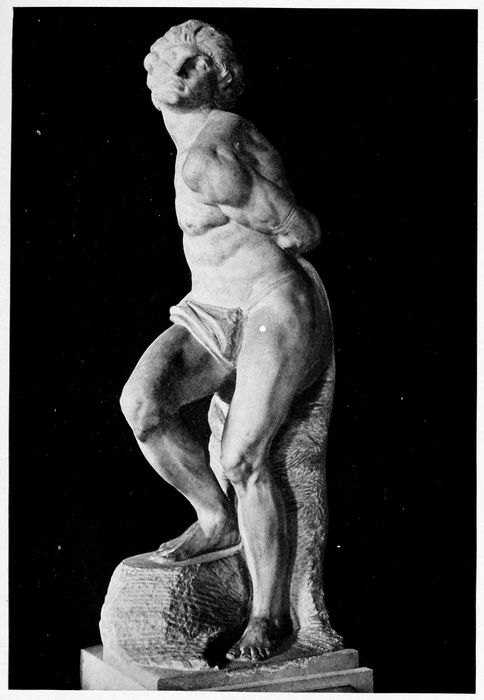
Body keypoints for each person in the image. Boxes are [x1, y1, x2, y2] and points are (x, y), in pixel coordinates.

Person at [120, 19, 333, 662]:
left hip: (272, 304)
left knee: (245, 459)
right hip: (211, 308)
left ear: (222, 82)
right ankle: (216, 518)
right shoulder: (193, 144)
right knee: (144, 406)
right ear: (152, 69)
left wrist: (271, 212)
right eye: (172, 61)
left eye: (196, 67)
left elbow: (301, 231)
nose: (179, 74)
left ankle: (269, 617)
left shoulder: (212, 150)